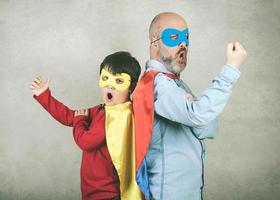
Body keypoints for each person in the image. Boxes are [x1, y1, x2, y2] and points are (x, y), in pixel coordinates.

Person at [133, 12, 247, 200]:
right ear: (155, 42)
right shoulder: (157, 84)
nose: (183, 44)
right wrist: (231, 69)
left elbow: (209, 128)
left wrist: (196, 111)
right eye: (174, 37)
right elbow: (199, 116)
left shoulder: (176, 85)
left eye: (186, 38)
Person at [30, 51, 142, 200]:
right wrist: (44, 95)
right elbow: (70, 116)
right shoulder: (104, 109)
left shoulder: (116, 116)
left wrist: (80, 120)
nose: (110, 86)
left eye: (119, 81)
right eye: (105, 78)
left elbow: (85, 141)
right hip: (97, 191)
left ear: (131, 87)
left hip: (106, 193)